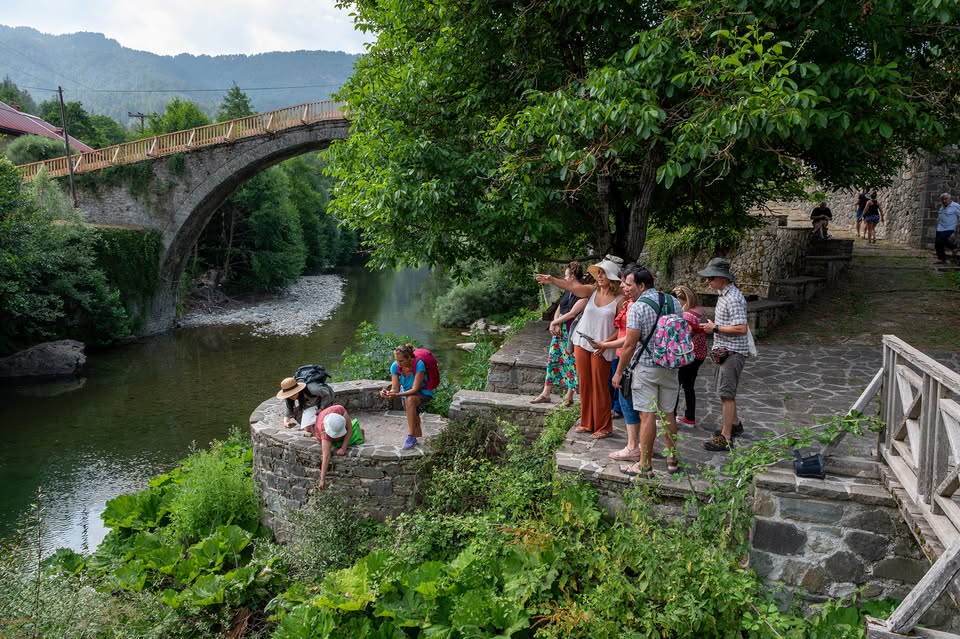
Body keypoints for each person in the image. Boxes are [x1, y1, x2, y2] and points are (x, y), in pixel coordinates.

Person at [536, 256, 625, 439]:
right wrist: (552, 280)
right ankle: (587, 422)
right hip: (581, 342)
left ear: (613, 276)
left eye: (604, 273)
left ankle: (604, 426)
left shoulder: (620, 300)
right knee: (585, 384)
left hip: (602, 346)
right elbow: (572, 287)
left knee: (600, 386)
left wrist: (605, 343)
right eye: (598, 272)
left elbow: (621, 329)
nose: (599, 276)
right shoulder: (591, 291)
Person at [611, 267, 682, 476]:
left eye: (630, 285)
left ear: (641, 285)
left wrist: (618, 373)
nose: (626, 289)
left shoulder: (638, 307)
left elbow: (630, 345)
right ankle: (672, 460)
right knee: (668, 414)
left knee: (647, 416)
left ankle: (644, 465)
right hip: (670, 365)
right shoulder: (673, 301)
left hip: (646, 367)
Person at [698, 258, 750, 452]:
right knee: (723, 392)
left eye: (710, 278)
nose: (708, 282)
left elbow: (741, 328)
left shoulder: (734, 298)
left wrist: (715, 328)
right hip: (724, 351)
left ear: (722, 278)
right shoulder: (724, 294)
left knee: (727, 395)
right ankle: (734, 424)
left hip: (732, 352)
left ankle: (726, 437)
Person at [598, 263, 640, 462]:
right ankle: (640, 446)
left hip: (627, 354)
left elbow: (630, 340)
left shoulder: (634, 306)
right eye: (623, 283)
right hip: (621, 351)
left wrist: (605, 344)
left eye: (626, 283)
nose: (624, 287)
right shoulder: (633, 303)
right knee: (629, 400)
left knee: (627, 399)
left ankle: (633, 446)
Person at [531, 262, 588, 406]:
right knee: (553, 359)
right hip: (560, 331)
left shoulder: (583, 295)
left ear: (573, 276)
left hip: (570, 333)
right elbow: (560, 307)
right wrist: (555, 321)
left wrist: (555, 323)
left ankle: (569, 396)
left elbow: (572, 313)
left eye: (566, 275)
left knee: (570, 363)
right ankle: (546, 393)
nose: (564, 277)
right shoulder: (567, 291)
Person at [378, 344, 434, 449]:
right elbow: (395, 389)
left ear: (409, 358)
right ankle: (417, 438)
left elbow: (415, 389)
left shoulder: (419, 365)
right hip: (405, 393)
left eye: (401, 361)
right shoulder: (395, 366)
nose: (398, 363)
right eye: (397, 360)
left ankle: (411, 437)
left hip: (423, 392)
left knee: (410, 400)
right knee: (414, 418)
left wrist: (397, 395)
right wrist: (388, 394)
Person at [672, 285, 707, 427]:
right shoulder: (700, 311)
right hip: (700, 354)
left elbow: (685, 335)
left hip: (688, 356)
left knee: (675, 386)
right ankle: (690, 417)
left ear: (683, 299)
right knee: (689, 386)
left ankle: (670, 417)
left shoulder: (687, 315)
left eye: (677, 300)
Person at [314, 405, 365, 491]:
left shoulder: (340, 409)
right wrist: (322, 480)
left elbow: (349, 429)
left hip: (332, 424)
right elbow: (326, 456)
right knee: (336, 444)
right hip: (321, 432)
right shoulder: (324, 432)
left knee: (351, 434)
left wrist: (343, 448)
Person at [935, 192, 960, 264]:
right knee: (937, 243)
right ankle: (953, 248)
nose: (944, 201)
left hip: (949, 228)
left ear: (950, 199)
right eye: (943, 199)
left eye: (946, 199)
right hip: (940, 227)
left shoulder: (955, 206)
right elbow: (940, 217)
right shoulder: (942, 207)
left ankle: (942, 258)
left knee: (940, 241)